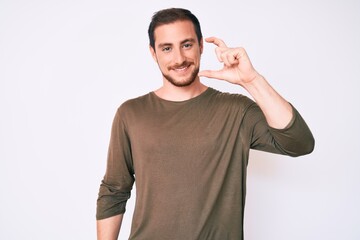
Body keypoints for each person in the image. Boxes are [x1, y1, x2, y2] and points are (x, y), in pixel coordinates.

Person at [96, 7, 314, 240]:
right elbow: (114, 191)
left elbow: (300, 143)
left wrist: (251, 80)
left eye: (187, 44)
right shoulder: (131, 113)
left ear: (201, 45)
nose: (179, 58)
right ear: (153, 53)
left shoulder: (235, 110)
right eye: (167, 48)